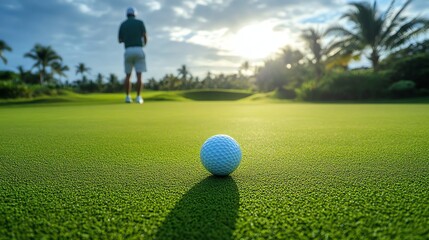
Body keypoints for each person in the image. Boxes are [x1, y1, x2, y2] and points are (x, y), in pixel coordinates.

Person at [118, 7, 148, 104]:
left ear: (127, 15)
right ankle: (139, 97)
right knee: (139, 76)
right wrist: (144, 44)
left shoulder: (123, 24)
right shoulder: (140, 22)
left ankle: (128, 97)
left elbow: (120, 40)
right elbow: (145, 36)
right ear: (135, 14)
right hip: (139, 49)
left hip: (128, 50)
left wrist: (126, 39)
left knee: (128, 76)